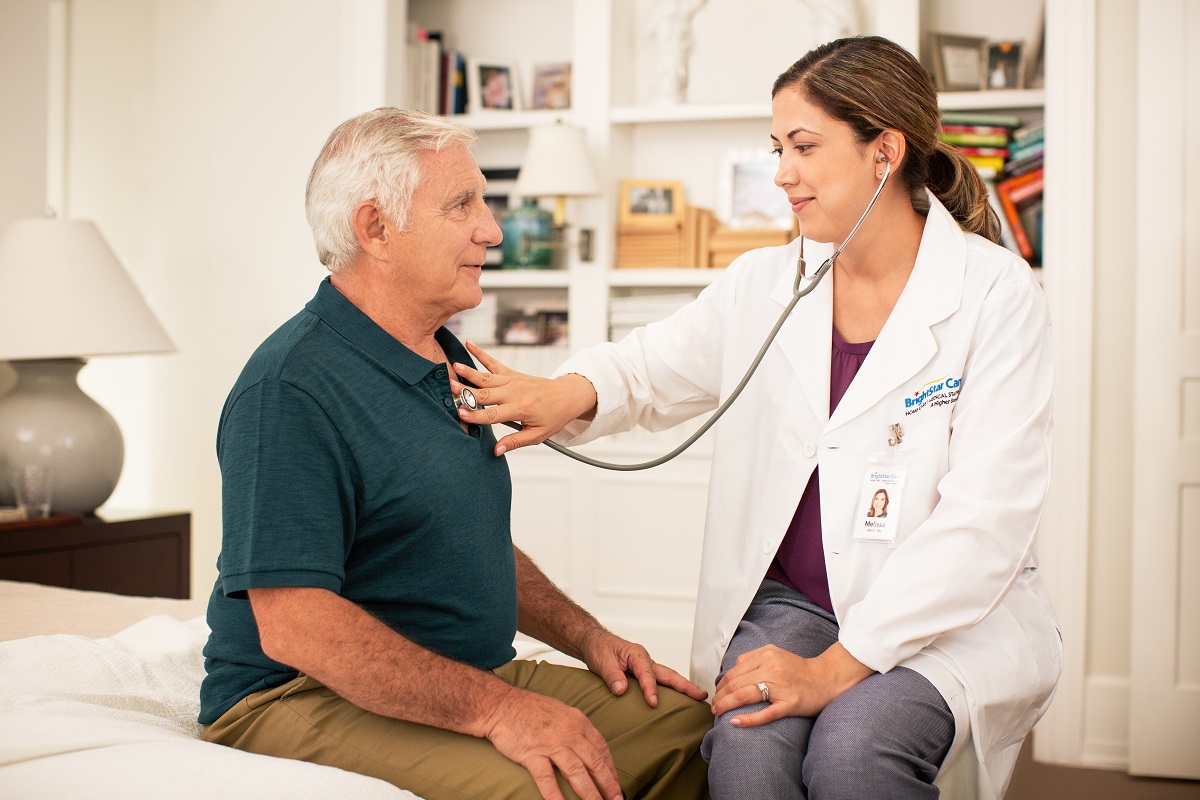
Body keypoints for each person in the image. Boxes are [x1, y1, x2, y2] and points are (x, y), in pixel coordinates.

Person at [449, 36, 1062, 800]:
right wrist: (563, 392)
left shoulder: (995, 295)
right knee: (745, 750)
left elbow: (986, 522)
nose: (781, 174)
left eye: (803, 147)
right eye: (777, 148)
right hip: (795, 601)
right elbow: (651, 365)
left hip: (942, 614)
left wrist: (836, 670)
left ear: (886, 150)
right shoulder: (769, 282)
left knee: (854, 753)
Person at [198, 107, 712, 800]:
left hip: (458, 673)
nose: (492, 230)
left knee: (694, 732)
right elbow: (297, 626)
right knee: (552, 787)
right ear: (375, 228)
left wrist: (588, 637)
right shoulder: (290, 388)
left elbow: (462, 539)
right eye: (462, 204)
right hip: (297, 696)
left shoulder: (450, 357)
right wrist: (499, 711)